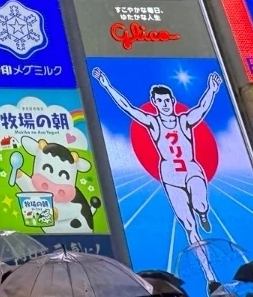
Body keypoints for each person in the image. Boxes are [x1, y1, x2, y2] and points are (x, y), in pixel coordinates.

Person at [92, 66, 223, 282]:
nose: (164, 104)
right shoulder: (153, 123)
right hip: (170, 177)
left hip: (191, 169)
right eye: (160, 101)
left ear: (172, 101)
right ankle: (210, 276)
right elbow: (128, 108)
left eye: (167, 100)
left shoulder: (184, 120)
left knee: (200, 204)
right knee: (189, 227)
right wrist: (107, 86)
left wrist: (212, 89)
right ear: (154, 103)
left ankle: (202, 212)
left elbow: (202, 107)